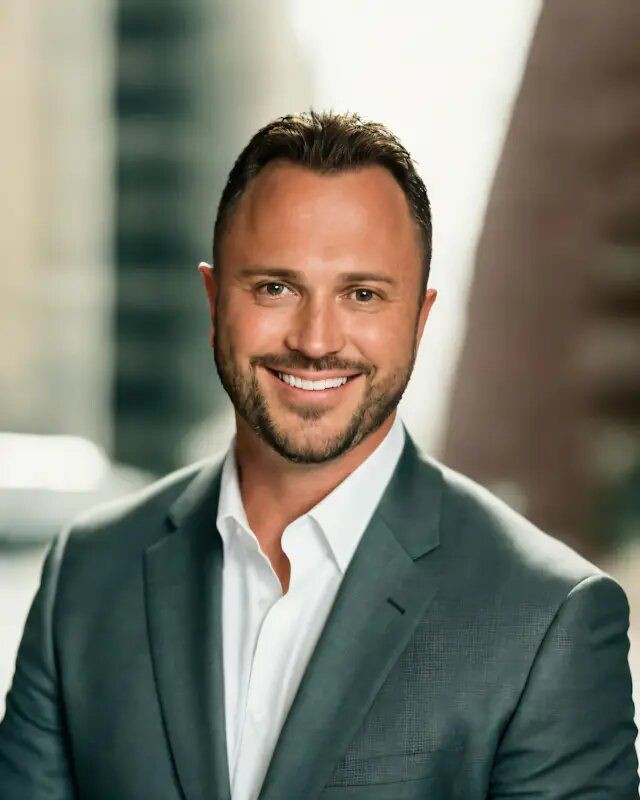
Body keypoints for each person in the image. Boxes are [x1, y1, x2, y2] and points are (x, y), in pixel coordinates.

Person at [0, 110, 637, 800]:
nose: (315, 339)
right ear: (214, 301)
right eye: (276, 287)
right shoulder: (88, 575)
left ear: (418, 322)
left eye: (362, 295)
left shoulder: (548, 618)